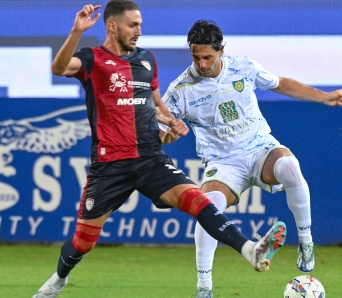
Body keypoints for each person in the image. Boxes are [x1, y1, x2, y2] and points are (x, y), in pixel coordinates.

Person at [32, 3, 287, 298]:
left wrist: (171, 122)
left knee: (197, 200)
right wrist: (77, 31)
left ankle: (250, 249)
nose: (139, 31)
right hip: (110, 165)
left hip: (150, 158)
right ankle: (59, 279)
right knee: (83, 242)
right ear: (112, 26)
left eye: (140, 24)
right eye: (132, 25)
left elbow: (158, 106)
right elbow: (59, 68)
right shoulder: (93, 59)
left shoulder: (146, 61)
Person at [160, 20, 342, 298]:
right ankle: (204, 287)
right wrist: (165, 135)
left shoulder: (243, 67)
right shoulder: (181, 89)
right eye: (196, 57)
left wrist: (324, 97)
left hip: (259, 149)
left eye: (208, 57)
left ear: (221, 50)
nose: (201, 64)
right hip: (224, 163)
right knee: (207, 207)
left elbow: (281, 84)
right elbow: (159, 127)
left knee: (288, 165)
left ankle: (305, 241)